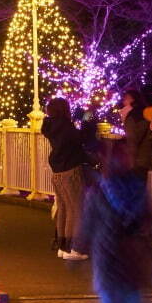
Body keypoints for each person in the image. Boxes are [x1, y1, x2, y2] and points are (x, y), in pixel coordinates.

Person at [77, 143, 152, 303]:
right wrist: (81, 244)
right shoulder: (100, 191)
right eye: (123, 155)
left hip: (128, 259)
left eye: (128, 154)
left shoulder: (136, 187)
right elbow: (88, 222)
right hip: (111, 258)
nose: (127, 159)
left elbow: (146, 219)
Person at [42, 97, 90, 260]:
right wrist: (88, 117)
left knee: (63, 207)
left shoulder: (50, 126)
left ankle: (62, 245)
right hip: (70, 170)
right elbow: (81, 138)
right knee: (75, 208)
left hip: (58, 172)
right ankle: (74, 247)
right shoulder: (66, 126)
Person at [118, 88, 152, 176]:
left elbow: (132, 141)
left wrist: (130, 163)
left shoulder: (132, 117)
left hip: (136, 161)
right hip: (146, 158)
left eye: (125, 99)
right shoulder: (147, 113)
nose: (123, 102)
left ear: (132, 99)